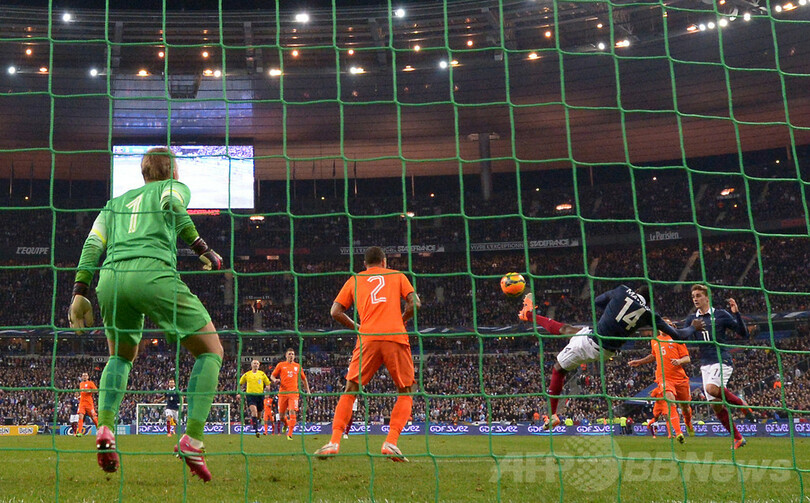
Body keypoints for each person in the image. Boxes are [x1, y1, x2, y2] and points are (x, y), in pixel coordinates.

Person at [68, 147, 224, 482]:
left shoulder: (113, 204)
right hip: (152, 273)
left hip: (110, 279)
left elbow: (92, 245)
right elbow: (173, 205)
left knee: (120, 357)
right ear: (173, 171)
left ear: (143, 173)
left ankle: (105, 428)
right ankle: (193, 439)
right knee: (211, 350)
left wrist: (79, 291)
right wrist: (202, 248)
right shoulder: (173, 187)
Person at [519, 285, 703, 430]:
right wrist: (693, 327)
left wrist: (611, 312)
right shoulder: (649, 314)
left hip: (592, 343)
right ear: (648, 301)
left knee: (558, 368)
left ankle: (552, 415)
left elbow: (598, 301)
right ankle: (529, 315)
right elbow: (679, 335)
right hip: (605, 348)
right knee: (567, 329)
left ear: (636, 291)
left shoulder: (622, 290)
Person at [315, 246, 421, 462]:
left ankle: (333, 442)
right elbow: (415, 303)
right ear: (384, 261)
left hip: (368, 338)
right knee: (406, 390)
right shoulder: (397, 276)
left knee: (351, 389)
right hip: (395, 336)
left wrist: (358, 327)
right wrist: (402, 319)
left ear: (365, 264)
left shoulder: (355, 279)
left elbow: (335, 311)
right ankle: (390, 442)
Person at [681, 284, 753, 449]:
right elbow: (682, 337)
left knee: (712, 388)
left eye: (698, 295)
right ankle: (738, 438)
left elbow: (744, 334)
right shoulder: (692, 319)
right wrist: (688, 328)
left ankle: (741, 404)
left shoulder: (720, 315)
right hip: (705, 364)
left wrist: (736, 313)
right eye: (693, 296)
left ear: (707, 298)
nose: (695, 299)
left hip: (722, 359)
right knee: (716, 405)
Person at [628, 320, 694, 443]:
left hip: (680, 379)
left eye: (668, 324)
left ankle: (688, 423)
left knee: (685, 407)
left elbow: (687, 358)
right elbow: (654, 355)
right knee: (670, 401)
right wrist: (640, 362)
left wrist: (679, 361)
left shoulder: (676, 338)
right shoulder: (655, 341)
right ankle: (678, 433)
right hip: (664, 378)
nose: (665, 326)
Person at [270, 348, 311, 440]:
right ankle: (286, 424)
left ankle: (290, 434)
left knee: (292, 411)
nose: (291, 356)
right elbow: (272, 376)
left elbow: (304, 379)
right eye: (289, 354)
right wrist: (275, 380)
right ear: (286, 355)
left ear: (294, 356)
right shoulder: (281, 365)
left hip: (294, 393)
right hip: (282, 393)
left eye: (292, 354)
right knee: (281, 416)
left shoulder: (298, 366)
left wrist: (308, 391)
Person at [239, 359, 270, 438]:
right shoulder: (247, 374)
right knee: (254, 412)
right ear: (251, 365)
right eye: (254, 363)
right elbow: (240, 383)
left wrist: (267, 392)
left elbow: (268, 384)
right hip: (250, 395)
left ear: (259, 365)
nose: (255, 365)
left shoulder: (262, 374)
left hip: (260, 395)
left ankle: (256, 422)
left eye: (257, 363)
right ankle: (256, 430)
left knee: (259, 415)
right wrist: (239, 392)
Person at [75, 372, 98, 437]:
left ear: (88, 377)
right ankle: (79, 432)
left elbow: (96, 390)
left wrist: (89, 391)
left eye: (85, 375)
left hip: (89, 403)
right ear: (82, 377)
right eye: (83, 375)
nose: (84, 377)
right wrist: (79, 397)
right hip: (82, 403)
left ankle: (99, 429)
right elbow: (82, 393)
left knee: (93, 417)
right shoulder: (81, 384)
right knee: (80, 416)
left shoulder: (90, 383)